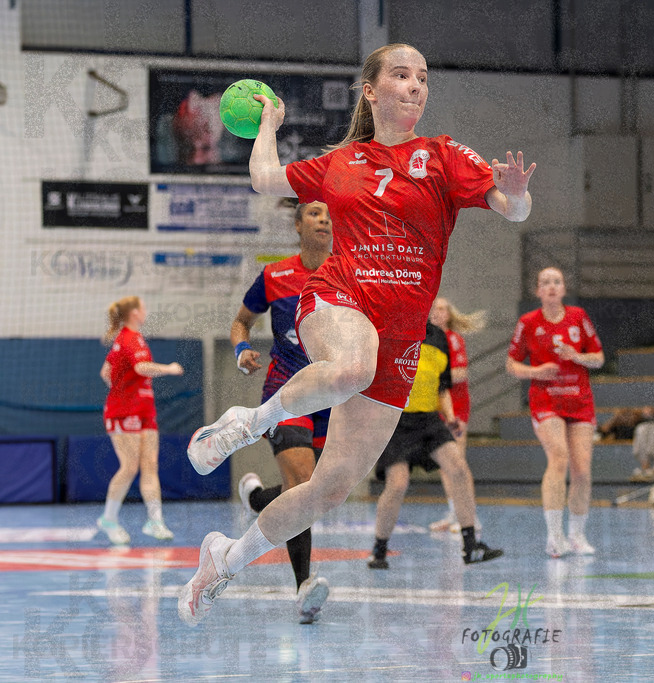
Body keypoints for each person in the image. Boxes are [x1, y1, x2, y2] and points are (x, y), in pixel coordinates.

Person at [178, 43, 535, 627]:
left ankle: (225, 560)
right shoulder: (340, 161)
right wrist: (268, 125)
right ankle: (246, 423)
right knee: (350, 367)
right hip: (337, 298)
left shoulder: (444, 156)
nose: (415, 85)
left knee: (330, 488)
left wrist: (517, 192)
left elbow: (511, 207)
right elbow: (266, 178)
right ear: (371, 91)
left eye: (422, 77)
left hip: (401, 334)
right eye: (401, 75)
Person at [231, 200, 333, 624]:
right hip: (286, 392)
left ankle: (258, 499)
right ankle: (304, 588)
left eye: (329, 214)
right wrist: (241, 350)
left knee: (319, 493)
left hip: (334, 396)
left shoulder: (350, 275)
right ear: (297, 225)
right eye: (313, 213)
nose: (324, 219)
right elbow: (241, 321)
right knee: (304, 483)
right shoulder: (275, 275)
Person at [368, 321, 501, 569]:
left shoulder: (438, 336)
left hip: (428, 419)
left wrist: (450, 417)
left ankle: (470, 545)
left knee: (458, 469)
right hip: (395, 419)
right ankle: (379, 548)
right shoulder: (388, 328)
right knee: (397, 484)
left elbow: (442, 387)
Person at [506, 267, 605, 558]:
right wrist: (536, 370)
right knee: (559, 457)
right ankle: (554, 535)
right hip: (546, 400)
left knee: (582, 471)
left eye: (556, 282)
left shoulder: (578, 317)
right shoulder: (528, 323)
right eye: (545, 283)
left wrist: (577, 357)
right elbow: (511, 365)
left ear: (564, 289)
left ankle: (576, 534)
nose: (551, 287)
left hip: (579, 400)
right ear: (537, 291)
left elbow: (598, 358)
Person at [97, 296, 183, 545]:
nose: (146, 311)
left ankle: (155, 520)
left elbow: (106, 372)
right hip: (125, 412)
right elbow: (141, 368)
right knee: (130, 466)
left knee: (150, 465)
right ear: (134, 312)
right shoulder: (128, 337)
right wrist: (169, 369)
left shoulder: (131, 339)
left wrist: (121, 386)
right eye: (143, 307)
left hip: (145, 410)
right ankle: (108, 519)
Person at [426, 297, 487, 533]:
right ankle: (454, 512)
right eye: (434, 308)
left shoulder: (453, 339)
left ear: (449, 314)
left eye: (442, 308)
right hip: (435, 406)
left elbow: (460, 373)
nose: (436, 312)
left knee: (458, 462)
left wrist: (434, 375)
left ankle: (471, 516)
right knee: (444, 464)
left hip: (457, 406)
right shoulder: (427, 339)